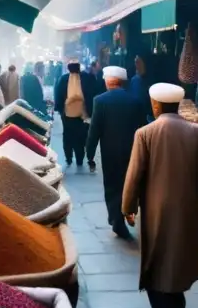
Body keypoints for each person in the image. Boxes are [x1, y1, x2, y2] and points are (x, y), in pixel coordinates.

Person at [122, 83, 198, 308]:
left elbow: (134, 176)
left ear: (155, 105)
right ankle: (174, 306)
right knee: (179, 257)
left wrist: (128, 207)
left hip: (155, 211)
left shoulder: (145, 133)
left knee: (156, 261)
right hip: (188, 210)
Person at [86, 66, 145, 239]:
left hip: (110, 153)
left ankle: (116, 219)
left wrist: (89, 153)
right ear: (122, 82)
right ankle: (128, 212)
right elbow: (143, 127)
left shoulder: (100, 100)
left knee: (112, 185)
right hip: (132, 151)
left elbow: (94, 130)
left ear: (107, 81)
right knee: (130, 182)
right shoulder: (135, 101)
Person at [54, 58, 97, 170]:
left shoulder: (63, 79)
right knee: (81, 137)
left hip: (67, 114)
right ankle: (79, 158)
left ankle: (68, 157)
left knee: (68, 136)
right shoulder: (87, 78)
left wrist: (60, 109)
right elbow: (93, 94)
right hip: (82, 114)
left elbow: (58, 95)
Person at [129, 54, 152, 122]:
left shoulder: (151, 79)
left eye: (138, 62)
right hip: (136, 115)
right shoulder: (134, 80)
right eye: (135, 62)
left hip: (148, 116)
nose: (136, 65)